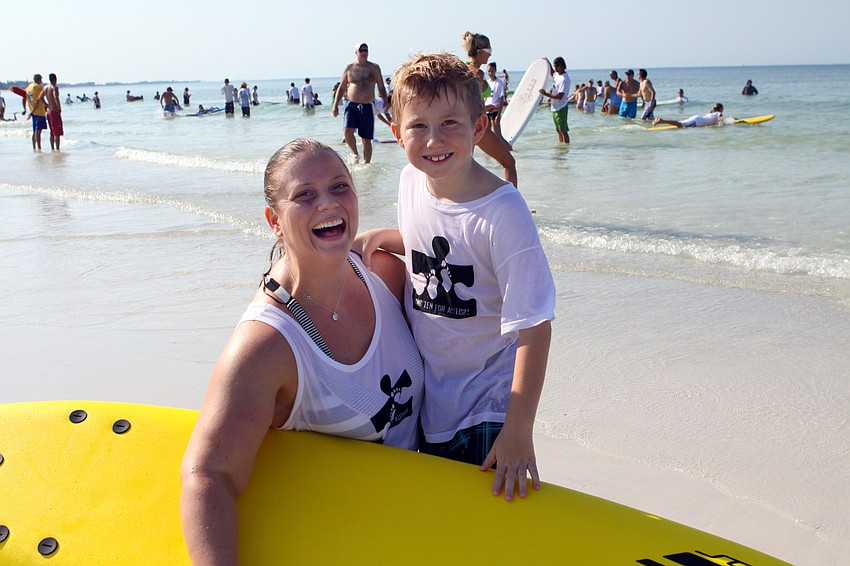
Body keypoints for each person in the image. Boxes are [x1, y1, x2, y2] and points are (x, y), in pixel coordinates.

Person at [180, 138, 424, 563]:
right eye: (305, 195)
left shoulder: (384, 272)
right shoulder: (266, 346)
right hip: (343, 540)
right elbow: (207, 475)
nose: (328, 204)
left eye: (340, 187)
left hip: (421, 521)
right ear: (274, 221)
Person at [356, 53, 555, 501]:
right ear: (395, 132)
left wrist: (519, 430)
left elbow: (535, 325)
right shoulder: (411, 180)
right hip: (430, 395)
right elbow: (430, 246)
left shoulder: (504, 213)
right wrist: (377, 238)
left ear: (479, 127)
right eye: (418, 126)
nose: (434, 139)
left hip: (489, 404)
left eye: (450, 123)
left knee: (486, 524)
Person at [461, 31, 517, 186]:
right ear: (480, 52)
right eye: (489, 51)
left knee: (465, 170)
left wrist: (486, 107)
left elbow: (465, 102)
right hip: (477, 127)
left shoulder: (462, 69)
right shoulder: (477, 73)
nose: (490, 56)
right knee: (509, 163)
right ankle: (513, 207)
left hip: (465, 125)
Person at [332, 42, 389, 164]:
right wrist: (335, 105)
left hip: (368, 106)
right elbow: (342, 88)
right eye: (361, 50)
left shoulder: (374, 68)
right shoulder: (350, 68)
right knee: (347, 132)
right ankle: (355, 154)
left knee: (366, 139)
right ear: (356, 52)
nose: (364, 52)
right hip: (352, 105)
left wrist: (385, 101)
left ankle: (367, 164)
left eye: (366, 50)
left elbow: (381, 87)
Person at [539, 56, 571, 144]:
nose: (555, 69)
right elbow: (552, 72)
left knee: (563, 130)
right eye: (554, 66)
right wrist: (547, 62)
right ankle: (562, 147)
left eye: (556, 66)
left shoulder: (565, 79)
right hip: (554, 107)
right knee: (558, 130)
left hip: (561, 107)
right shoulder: (557, 75)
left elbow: (560, 96)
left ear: (561, 66)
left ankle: (566, 148)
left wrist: (545, 94)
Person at [653, 103, 724, 128]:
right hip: (697, 122)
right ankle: (662, 121)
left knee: (680, 123)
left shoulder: (711, 113)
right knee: (680, 125)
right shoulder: (718, 113)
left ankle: (663, 121)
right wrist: (721, 125)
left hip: (697, 118)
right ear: (721, 109)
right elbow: (719, 119)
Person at [24, 74, 47, 150]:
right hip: (39, 111)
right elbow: (39, 100)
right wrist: (47, 105)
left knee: (35, 130)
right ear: (39, 79)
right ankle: (39, 147)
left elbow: (24, 98)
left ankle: (34, 147)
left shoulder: (29, 87)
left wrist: (25, 109)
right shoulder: (38, 87)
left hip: (33, 111)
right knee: (38, 131)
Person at [485, 62, 507, 136]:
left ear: (495, 71)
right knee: (487, 134)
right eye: (489, 71)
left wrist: (499, 114)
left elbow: (501, 98)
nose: (490, 73)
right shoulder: (486, 83)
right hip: (487, 110)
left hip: (495, 110)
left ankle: (507, 147)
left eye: (492, 71)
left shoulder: (499, 83)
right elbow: (485, 97)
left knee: (497, 134)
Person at [43, 73, 64, 150]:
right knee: (57, 132)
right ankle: (57, 148)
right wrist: (59, 107)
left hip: (49, 111)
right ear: (55, 79)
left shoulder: (45, 88)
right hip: (54, 110)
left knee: (52, 131)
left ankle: (52, 148)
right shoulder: (54, 87)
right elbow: (56, 97)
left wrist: (47, 105)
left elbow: (40, 98)